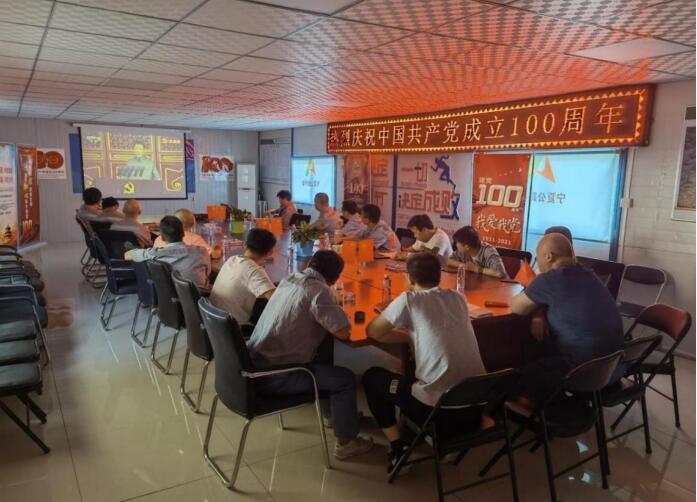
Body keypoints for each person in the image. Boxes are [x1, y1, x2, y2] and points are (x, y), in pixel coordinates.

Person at [364, 253, 486, 473]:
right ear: (439, 276)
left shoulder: (409, 300)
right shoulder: (457, 297)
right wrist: (413, 338)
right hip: (477, 408)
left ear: (409, 279)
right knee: (416, 371)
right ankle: (435, 439)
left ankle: (398, 447)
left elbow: (373, 331)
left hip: (439, 411)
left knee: (373, 377)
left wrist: (408, 337)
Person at [248, 250, 374, 460]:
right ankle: (346, 443)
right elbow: (343, 331)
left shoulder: (290, 279)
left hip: (255, 363)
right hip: (277, 375)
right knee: (344, 379)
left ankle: (332, 415)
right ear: (334, 279)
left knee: (323, 351)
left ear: (310, 264)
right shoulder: (319, 291)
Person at [509, 232, 624, 408]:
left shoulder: (550, 279)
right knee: (545, 346)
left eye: (538, 258)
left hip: (581, 372)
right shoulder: (589, 275)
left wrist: (537, 290)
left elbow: (517, 307)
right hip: (613, 369)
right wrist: (539, 313)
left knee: (517, 371)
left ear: (548, 256)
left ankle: (539, 407)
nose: (537, 264)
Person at [210, 228, 276, 325]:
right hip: (235, 327)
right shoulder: (254, 271)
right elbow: (277, 300)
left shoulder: (232, 259)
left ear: (245, 244)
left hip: (212, 320)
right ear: (270, 252)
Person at [125, 215, 211, 289]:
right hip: (202, 297)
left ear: (162, 237)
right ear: (183, 233)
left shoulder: (155, 253)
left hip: (172, 295)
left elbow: (127, 255)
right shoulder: (202, 251)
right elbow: (208, 273)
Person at [154, 208, 222, 259]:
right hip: (185, 273)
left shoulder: (158, 239)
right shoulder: (194, 239)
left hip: (164, 273)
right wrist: (218, 249)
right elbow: (214, 255)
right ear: (192, 224)